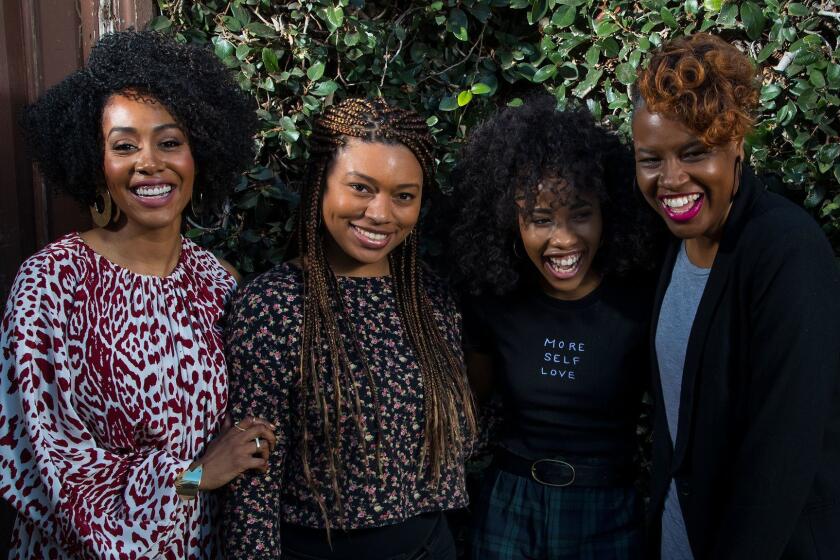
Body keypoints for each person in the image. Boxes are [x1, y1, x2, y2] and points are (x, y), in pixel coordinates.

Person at [0, 30, 277, 559]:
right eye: (124, 146)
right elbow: (48, 470)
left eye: (170, 142)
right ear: (96, 163)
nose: (149, 163)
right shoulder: (51, 285)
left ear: (199, 156)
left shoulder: (218, 284)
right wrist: (194, 476)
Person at [221, 97, 476, 559]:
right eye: (361, 188)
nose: (381, 213)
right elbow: (250, 488)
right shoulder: (274, 305)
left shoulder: (432, 301)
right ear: (321, 186)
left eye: (404, 195)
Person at [632, 32, 840, 559]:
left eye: (695, 152)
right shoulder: (672, 245)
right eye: (650, 159)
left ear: (735, 144)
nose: (671, 179)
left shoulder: (786, 251)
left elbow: (782, 457)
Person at [447, 95, 658, 559]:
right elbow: (466, 411)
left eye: (580, 213)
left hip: (607, 510)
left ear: (608, 211)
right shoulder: (495, 303)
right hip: (509, 505)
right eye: (540, 219)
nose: (563, 239)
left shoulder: (640, 303)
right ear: (510, 222)